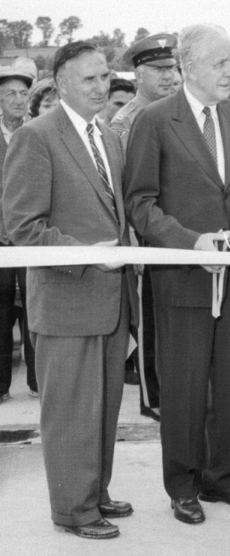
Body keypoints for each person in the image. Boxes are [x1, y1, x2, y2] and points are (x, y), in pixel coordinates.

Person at [123, 24, 230, 525]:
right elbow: (141, 205)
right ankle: (183, 484)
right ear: (189, 69)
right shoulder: (154, 121)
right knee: (186, 387)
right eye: (221, 63)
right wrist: (192, 242)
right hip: (184, 279)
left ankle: (223, 478)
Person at [2, 41, 138, 539]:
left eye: (105, 76)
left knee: (101, 409)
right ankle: (72, 510)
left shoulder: (108, 135)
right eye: (89, 79)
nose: (102, 87)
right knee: (70, 414)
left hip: (109, 301)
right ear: (60, 85)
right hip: (65, 299)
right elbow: (22, 226)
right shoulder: (36, 138)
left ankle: (94, 493)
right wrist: (88, 253)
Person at [110, 33, 179, 422]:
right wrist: (132, 243)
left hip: (172, 234)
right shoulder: (128, 122)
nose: (170, 77)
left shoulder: (171, 111)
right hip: (144, 239)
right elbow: (122, 189)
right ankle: (154, 398)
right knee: (150, 320)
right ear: (138, 74)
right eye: (160, 69)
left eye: (173, 68)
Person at [0, 67, 37, 403]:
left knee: (37, 307)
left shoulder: (38, 134)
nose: (17, 99)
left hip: (31, 239)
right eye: (9, 93)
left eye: (22, 93)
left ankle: (39, 381)